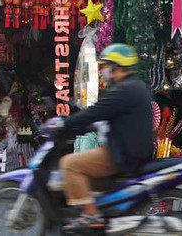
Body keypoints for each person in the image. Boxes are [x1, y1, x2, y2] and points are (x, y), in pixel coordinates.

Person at [58, 44, 153, 232]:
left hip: (123, 154)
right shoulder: (137, 86)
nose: (104, 72)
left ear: (117, 67)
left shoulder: (123, 90)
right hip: (132, 151)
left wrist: (64, 123)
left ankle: (92, 215)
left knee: (69, 164)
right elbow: (112, 116)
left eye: (107, 67)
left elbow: (96, 112)